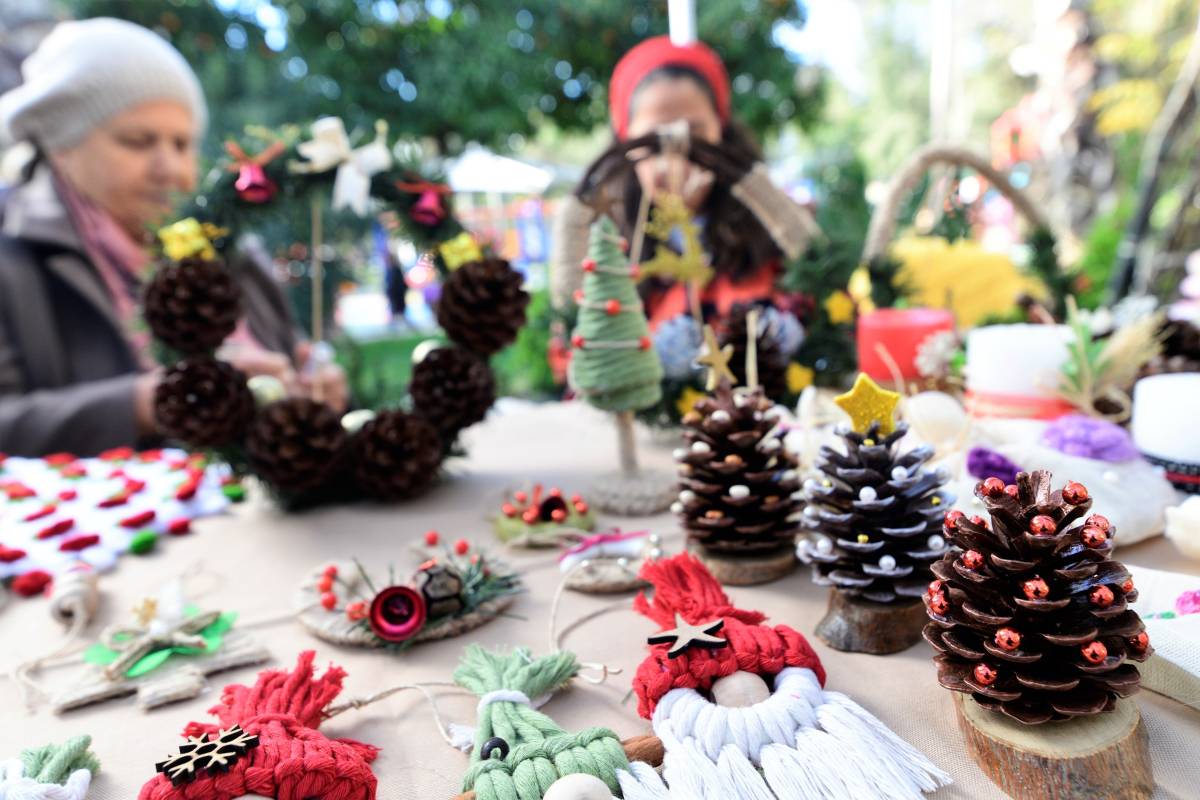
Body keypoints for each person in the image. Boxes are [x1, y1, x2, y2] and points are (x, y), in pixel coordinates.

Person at [0, 17, 346, 457]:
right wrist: (149, 402)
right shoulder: (12, 255)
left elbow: (294, 358)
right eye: (138, 141)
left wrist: (321, 390)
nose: (171, 170)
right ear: (63, 145)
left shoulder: (234, 251)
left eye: (183, 145)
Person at [551, 35, 816, 328]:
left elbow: (822, 290)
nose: (676, 159)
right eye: (656, 139)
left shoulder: (774, 240)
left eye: (695, 135)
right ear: (628, 145)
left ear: (721, 133)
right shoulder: (605, 255)